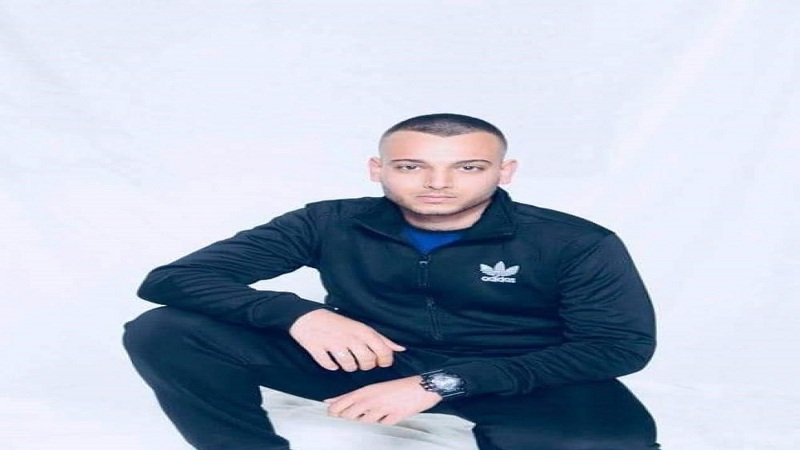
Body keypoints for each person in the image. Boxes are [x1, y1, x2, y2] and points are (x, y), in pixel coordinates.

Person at [123, 113, 660, 450]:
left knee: (606, 445)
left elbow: (618, 347)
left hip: (522, 377)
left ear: (505, 172)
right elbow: (173, 279)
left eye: (468, 167)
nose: (438, 183)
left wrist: (440, 384)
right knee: (165, 329)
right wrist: (300, 314)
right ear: (377, 169)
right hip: (374, 359)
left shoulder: (574, 241)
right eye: (411, 166)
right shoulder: (328, 222)